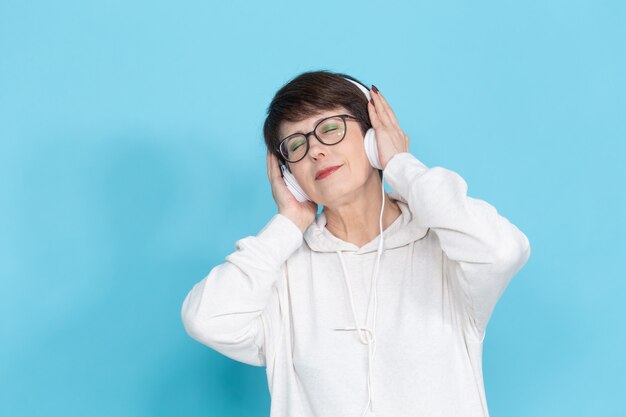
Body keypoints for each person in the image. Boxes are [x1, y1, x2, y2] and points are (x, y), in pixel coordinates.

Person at [180, 70, 531, 417]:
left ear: (372, 137)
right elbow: (206, 319)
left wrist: (401, 164)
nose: (315, 150)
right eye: (297, 145)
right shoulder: (281, 276)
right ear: (289, 176)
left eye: (330, 128)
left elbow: (502, 251)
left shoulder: (445, 248)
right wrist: (288, 223)